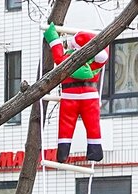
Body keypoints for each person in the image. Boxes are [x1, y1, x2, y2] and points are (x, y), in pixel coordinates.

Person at [45, 23, 108, 163]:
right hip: (90, 95)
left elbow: (57, 55)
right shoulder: (96, 63)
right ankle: (95, 150)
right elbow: (104, 55)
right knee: (93, 124)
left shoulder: (66, 60)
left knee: (66, 125)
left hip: (69, 96)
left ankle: (63, 152)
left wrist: (52, 37)